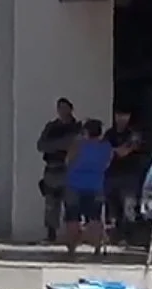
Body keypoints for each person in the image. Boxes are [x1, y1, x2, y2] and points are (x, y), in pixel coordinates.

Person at [64, 119, 113, 257]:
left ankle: (72, 248)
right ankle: (97, 247)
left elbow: (68, 161)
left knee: (72, 218)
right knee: (95, 218)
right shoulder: (106, 147)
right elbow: (107, 164)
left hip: (74, 185)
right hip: (96, 185)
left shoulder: (78, 145)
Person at [36, 98, 82, 243]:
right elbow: (41, 145)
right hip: (52, 168)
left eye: (65, 108)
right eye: (60, 108)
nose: (62, 111)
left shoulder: (77, 127)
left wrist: (60, 145)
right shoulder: (51, 127)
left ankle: (72, 236)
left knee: (71, 203)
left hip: (69, 169)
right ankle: (51, 234)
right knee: (51, 203)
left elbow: (76, 144)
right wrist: (61, 145)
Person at [102, 106, 143, 245]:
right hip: (112, 175)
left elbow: (124, 151)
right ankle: (114, 237)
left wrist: (116, 150)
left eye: (124, 115)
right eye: (119, 115)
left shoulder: (133, 134)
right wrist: (117, 150)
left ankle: (128, 238)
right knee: (112, 209)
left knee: (129, 209)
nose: (121, 118)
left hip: (129, 175)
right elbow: (104, 150)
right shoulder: (109, 134)